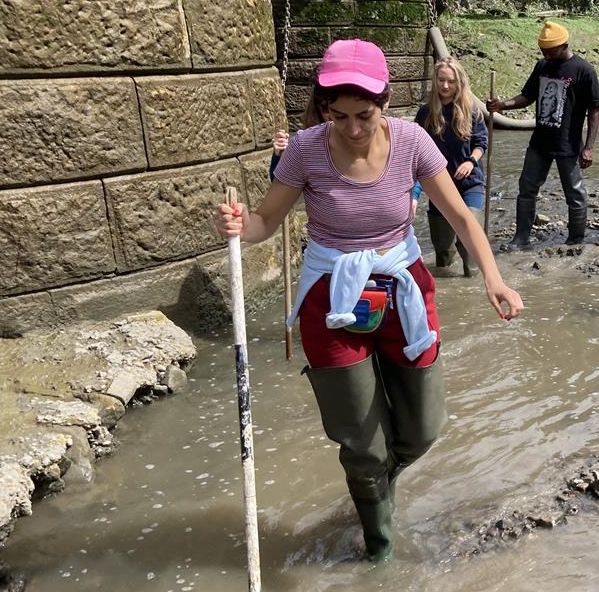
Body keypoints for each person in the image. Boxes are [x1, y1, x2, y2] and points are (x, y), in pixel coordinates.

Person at [213, 39, 524, 563]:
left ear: (385, 101)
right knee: (360, 442)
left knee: (423, 428)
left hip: (401, 287)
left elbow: (462, 216)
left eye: (365, 114)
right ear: (324, 108)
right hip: (329, 295)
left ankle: (378, 479)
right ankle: (378, 551)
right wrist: (244, 225)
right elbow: (268, 220)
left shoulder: (413, 141)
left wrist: (493, 278)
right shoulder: (306, 148)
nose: (353, 128)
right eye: (340, 116)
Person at [486, 21, 599, 247]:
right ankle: (521, 237)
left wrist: (588, 147)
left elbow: (594, 111)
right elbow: (527, 96)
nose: (546, 55)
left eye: (550, 51)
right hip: (540, 142)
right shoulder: (542, 67)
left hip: (568, 144)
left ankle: (576, 239)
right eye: (543, 51)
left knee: (574, 193)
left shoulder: (584, 70)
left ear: (564, 46)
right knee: (527, 188)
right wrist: (502, 105)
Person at [414, 57, 489, 277]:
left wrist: (471, 161)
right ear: (435, 81)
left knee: (470, 238)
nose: (445, 86)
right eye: (441, 80)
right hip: (439, 186)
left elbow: (481, 143)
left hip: (470, 182)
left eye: (451, 81)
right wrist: (414, 194)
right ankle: (445, 287)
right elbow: (416, 156)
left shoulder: (472, 110)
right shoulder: (425, 114)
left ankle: (472, 284)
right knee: (443, 251)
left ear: (459, 83)